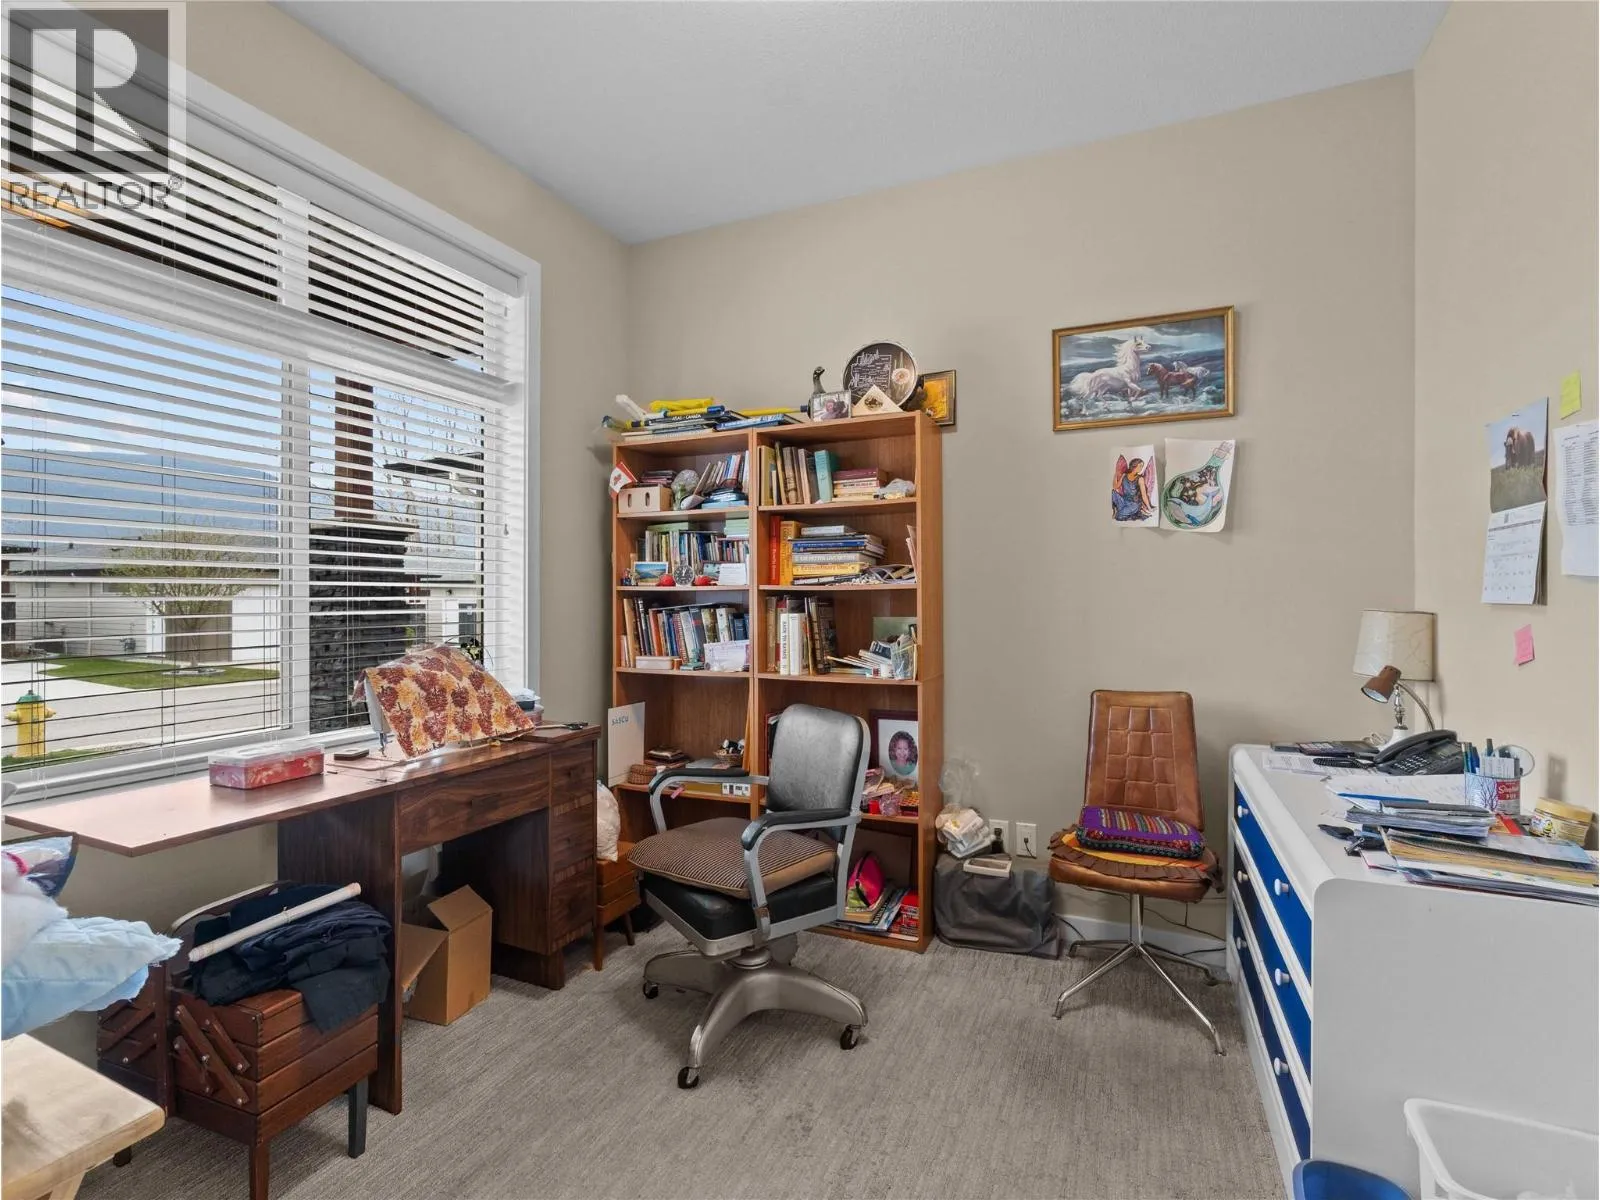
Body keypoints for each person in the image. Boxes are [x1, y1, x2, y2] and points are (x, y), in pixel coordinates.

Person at [1112, 456, 1154, 521]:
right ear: (1134, 466)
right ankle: (1119, 509)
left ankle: (1123, 510)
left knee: (1119, 516)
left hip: (1134, 504)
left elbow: (1144, 496)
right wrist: (1115, 475)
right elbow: (1115, 487)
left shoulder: (1140, 479)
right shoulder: (1124, 475)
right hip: (1124, 500)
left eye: (1142, 466)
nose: (1141, 468)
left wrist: (1149, 508)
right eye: (1140, 466)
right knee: (1113, 493)